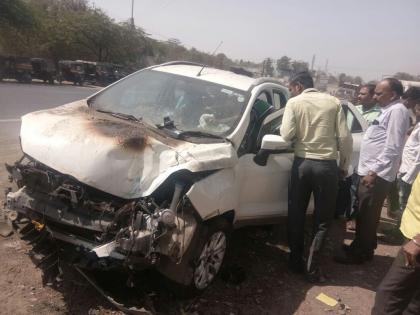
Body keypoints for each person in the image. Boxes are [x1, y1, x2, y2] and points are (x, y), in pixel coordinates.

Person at [280, 71, 352, 280]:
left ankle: (294, 262)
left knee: (296, 214)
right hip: (327, 166)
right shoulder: (333, 102)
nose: (291, 92)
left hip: (302, 164)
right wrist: (344, 166)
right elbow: (345, 139)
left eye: (291, 88)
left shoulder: (294, 103)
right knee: (322, 220)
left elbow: (286, 135)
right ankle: (311, 268)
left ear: (298, 86)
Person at [335, 78, 410, 264]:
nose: (375, 96)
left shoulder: (397, 111)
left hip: (376, 175)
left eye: (379, 93)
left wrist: (373, 172)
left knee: (367, 215)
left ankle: (361, 253)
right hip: (369, 171)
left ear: (392, 94)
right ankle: (361, 247)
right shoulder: (388, 110)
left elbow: (393, 147)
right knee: (364, 213)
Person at [372, 173, 420, 315]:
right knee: (414, 299)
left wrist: (418, 242)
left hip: (416, 241)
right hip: (414, 233)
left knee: (389, 296)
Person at [397, 102, 420, 216]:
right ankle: (399, 228)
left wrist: (409, 177)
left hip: (410, 172)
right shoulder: (417, 125)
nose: (416, 112)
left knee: (405, 203)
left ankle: (401, 231)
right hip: (405, 168)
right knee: (401, 201)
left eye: (418, 110)